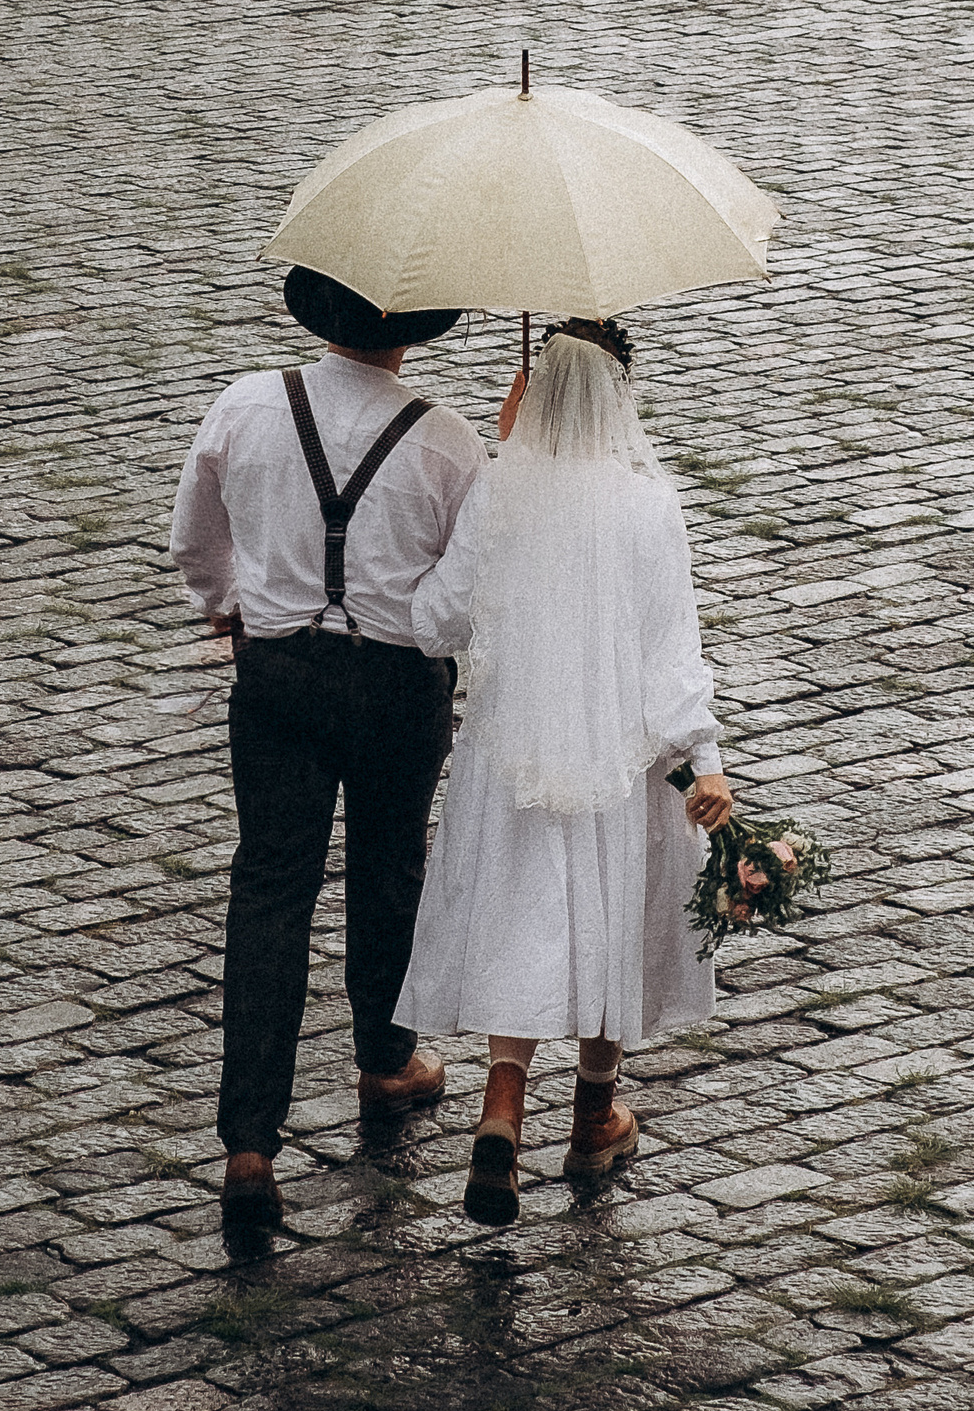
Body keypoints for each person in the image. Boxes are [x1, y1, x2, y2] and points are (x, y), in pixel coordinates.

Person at [393, 319, 733, 1226]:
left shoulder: (503, 487)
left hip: (513, 754)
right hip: (621, 758)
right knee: (609, 918)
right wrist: (704, 759)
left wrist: (507, 461)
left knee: (526, 920)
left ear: (537, 390)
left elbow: (433, 623)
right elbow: (672, 649)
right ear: (623, 395)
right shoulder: (647, 502)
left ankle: (501, 1113)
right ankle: (593, 1115)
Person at [169, 267, 488, 1228]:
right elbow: (459, 604)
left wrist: (230, 609)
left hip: (278, 677)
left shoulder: (247, 404)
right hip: (395, 685)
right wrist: (411, 632)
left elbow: (195, 540)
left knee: (270, 887)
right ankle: (388, 1060)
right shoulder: (450, 441)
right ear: (414, 331)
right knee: (391, 868)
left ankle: (251, 1142)